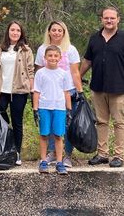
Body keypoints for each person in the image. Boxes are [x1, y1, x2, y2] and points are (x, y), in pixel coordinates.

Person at [80, 7, 124, 168]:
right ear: (102, 19)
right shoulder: (95, 39)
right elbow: (87, 61)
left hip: (118, 87)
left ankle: (119, 155)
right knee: (101, 121)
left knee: (119, 122)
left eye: (112, 18)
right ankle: (102, 154)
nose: (109, 21)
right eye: (106, 18)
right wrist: (77, 77)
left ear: (118, 19)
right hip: (97, 86)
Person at [0, 21, 35, 166]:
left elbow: (31, 71)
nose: (15, 33)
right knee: (0, 118)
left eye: (18, 30)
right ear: (8, 32)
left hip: (19, 90)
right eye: (12, 30)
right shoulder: (0, 49)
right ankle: (3, 148)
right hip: (1, 91)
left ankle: (17, 152)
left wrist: (32, 90)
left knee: (17, 121)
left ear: (21, 33)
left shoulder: (26, 50)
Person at [34, 21, 84, 167]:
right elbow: (39, 71)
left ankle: (66, 155)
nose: (56, 32)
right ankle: (51, 153)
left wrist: (80, 91)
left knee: (65, 124)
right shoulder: (42, 49)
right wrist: (36, 100)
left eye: (60, 30)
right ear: (49, 32)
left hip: (67, 91)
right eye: (54, 30)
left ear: (64, 32)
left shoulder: (70, 49)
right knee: (48, 125)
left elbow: (75, 72)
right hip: (47, 94)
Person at [33, 45, 72, 175]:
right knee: (44, 134)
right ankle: (43, 161)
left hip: (59, 108)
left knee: (58, 135)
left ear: (60, 58)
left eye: (56, 56)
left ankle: (59, 163)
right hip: (44, 107)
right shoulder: (40, 73)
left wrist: (69, 109)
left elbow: (66, 92)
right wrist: (35, 109)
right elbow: (36, 92)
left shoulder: (63, 74)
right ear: (45, 57)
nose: (53, 58)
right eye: (50, 55)